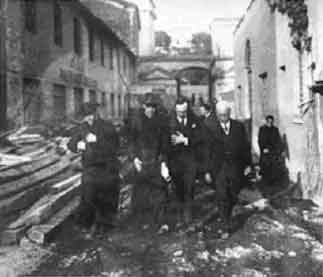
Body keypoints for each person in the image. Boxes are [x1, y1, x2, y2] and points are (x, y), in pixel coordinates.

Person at [68, 102, 120, 237]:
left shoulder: (107, 127)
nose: (89, 118)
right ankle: (88, 224)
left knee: (106, 198)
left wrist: (98, 140)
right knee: (89, 196)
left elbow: (115, 146)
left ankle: (105, 226)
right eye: (86, 116)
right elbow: (71, 144)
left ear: (97, 114)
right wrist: (77, 145)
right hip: (90, 168)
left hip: (107, 168)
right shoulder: (81, 128)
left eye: (91, 115)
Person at [129, 94, 169, 222]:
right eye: (148, 107)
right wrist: (134, 158)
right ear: (143, 106)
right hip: (141, 161)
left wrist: (163, 162)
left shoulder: (161, 121)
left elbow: (165, 143)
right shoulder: (136, 121)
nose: (151, 110)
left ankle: (160, 220)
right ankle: (140, 221)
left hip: (156, 160)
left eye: (153, 107)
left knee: (159, 191)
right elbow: (131, 142)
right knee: (140, 191)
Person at [213, 101, 252, 232]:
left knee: (233, 195)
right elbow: (207, 150)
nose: (222, 118)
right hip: (220, 168)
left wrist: (248, 164)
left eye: (224, 115)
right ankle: (225, 224)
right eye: (220, 115)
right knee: (222, 195)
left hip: (236, 167)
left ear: (229, 113)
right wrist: (207, 170)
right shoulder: (211, 127)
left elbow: (245, 147)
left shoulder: (238, 127)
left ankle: (228, 214)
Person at [167, 97, 205, 224]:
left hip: (190, 162)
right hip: (175, 162)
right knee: (178, 190)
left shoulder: (196, 121)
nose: (181, 114)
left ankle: (188, 216)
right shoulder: (168, 122)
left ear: (187, 109)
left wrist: (185, 140)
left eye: (184, 111)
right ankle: (179, 217)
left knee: (189, 188)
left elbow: (200, 139)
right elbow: (165, 143)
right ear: (175, 109)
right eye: (179, 112)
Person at [258, 115, 285, 187]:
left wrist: (281, 150)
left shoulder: (275, 129)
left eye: (271, 122)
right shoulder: (262, 129)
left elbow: (278, 140)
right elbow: (260, 140)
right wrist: (263, 148)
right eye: (268, 121)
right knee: (265, 166)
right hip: (265, 151)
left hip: (273, 151)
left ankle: (273, 182)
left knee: (273, 166)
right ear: (266, 121)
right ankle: (265, 181)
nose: (270, 123)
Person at [199, 103, 223, 187]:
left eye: (201, 110)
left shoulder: (209, 121)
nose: (200, 111)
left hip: (211, 148)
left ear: (206, 110)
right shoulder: (207, 119)